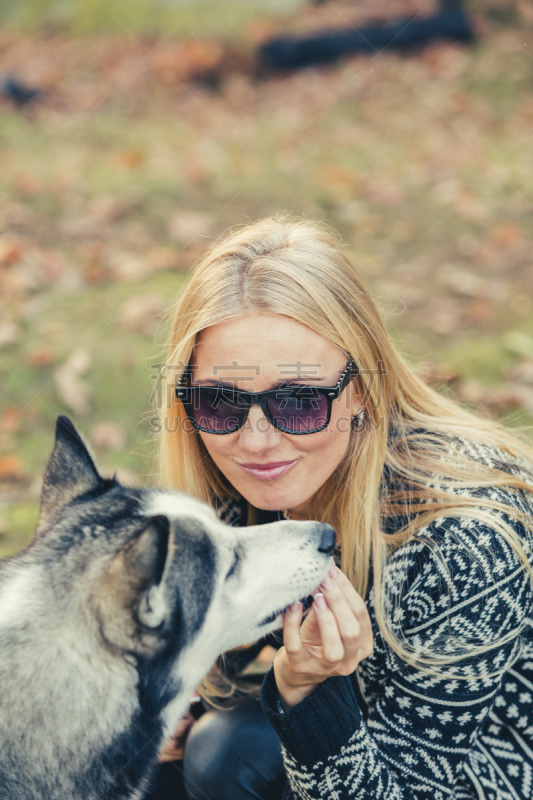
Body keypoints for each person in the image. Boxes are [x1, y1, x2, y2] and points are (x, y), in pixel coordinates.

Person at [147, 214, 533, 800]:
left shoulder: (464, 540)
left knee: (229, 756)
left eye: (300, 400)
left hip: (490, 766)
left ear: (361, 391)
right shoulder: (232, 480)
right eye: (221, 400)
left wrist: (306, 693)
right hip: (367, 717)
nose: (255, 441)